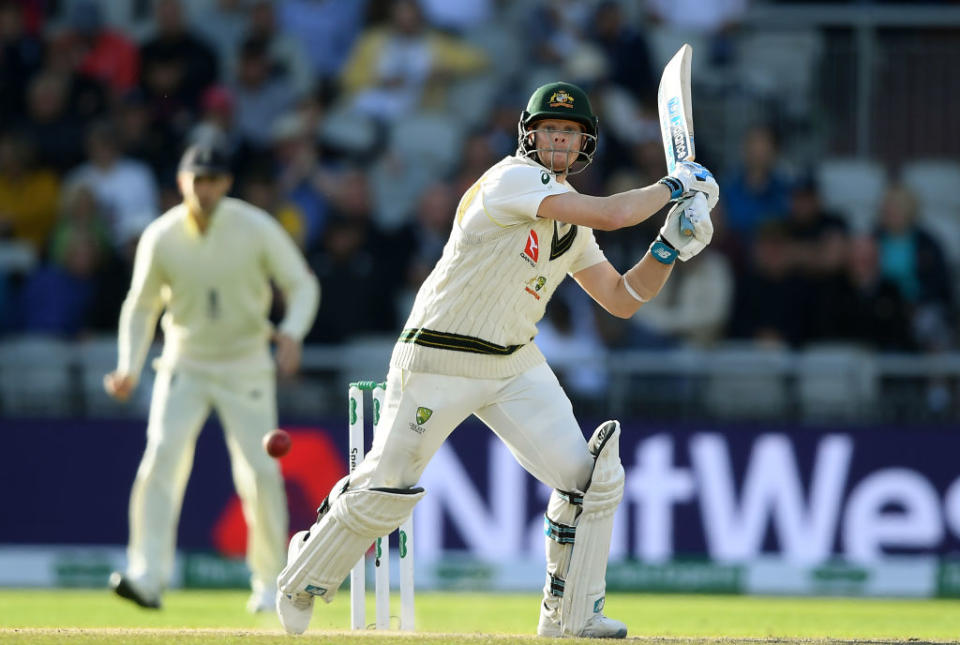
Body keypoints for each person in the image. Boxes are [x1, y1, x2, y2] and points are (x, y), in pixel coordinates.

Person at [275, 81, 718, 638]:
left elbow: (623, 300)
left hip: (512, 364)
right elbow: (612, 214)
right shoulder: (511, 180)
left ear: (584, 143)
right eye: (550, 130)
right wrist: (675, 185)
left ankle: (573, 615)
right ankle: (302, 576)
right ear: (530, 137)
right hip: (438, 355)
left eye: (570, 132)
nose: (560, 140)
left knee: (592, 480)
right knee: (387, 489)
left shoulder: (572, 225)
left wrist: (668, 248)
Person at [105, 143, 320, 613]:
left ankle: (269, 584)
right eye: (196, 181)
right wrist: (128, 366)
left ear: (226, 183)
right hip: (184, 361)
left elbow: (302, 284)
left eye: (213, 181)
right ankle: (147, 575)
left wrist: (291, 333)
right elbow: (140, 306)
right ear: (182, 183)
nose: (205, 190)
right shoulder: (161, 235)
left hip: (246, 364)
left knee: (261, 472)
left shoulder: (255, 226)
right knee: (161, 458)